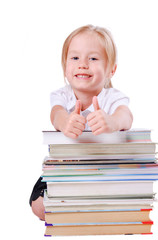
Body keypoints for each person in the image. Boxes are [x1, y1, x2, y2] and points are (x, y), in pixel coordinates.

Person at [30, 25, 133, 220]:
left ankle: (91, 210)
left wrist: (112, 121)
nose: (83, 64)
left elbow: (126, 115)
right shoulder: (61, 95)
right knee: (39, 206)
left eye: (93, 58)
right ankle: (79, 210)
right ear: (65, 67)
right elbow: (56, 114)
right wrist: (65, 122)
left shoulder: (112, 98)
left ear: (111, 69)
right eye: (75, 58)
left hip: (104, 170)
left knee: (122, 202)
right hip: (66, 168)